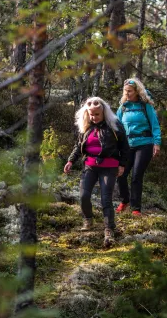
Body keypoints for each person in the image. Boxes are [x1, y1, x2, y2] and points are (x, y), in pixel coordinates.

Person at [64, 97, 129, 247]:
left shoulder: (115, 126)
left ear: (104, 112)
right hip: (90, 166)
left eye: (96, 114)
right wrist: (70, 161)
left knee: (106, 198)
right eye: (91, 114)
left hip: (109, 166)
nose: (93, 117)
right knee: (84, 195)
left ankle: (109, 229)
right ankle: (88, 220)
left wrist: (122, 165)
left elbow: (125, 147)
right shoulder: (86, 126)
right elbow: (78, 146)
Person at [115, 78, 161, 216]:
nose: (127, 93)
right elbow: (116, 125)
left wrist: (157, 143)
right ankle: (125, 200)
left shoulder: (145, 105)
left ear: (137, 91)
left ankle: (136, 209)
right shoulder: (123, 106)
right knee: (120, 174)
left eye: (129, 91)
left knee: (136, 176)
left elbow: (155, 124)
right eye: (125, 91)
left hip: (145, 144)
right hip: (127, 145)